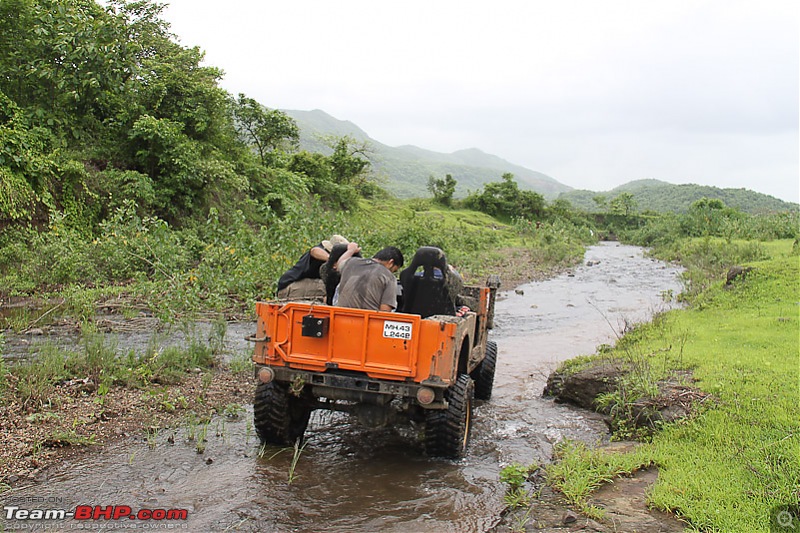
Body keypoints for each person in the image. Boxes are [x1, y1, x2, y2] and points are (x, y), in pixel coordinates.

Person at [276, 235, 349, 300]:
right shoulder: (320, 251)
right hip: (289, 286)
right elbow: (314, 251)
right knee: (327, 288)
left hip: (304, 285)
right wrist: (332, 260)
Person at [336, 243, 404, 311]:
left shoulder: (351, 263)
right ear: (391, 263)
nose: (392, 273)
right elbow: (385, 311)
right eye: (394, 270)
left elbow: (340, 263)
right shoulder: (389, 277)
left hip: (340, 317)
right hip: (369, 320)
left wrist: (351, 250)